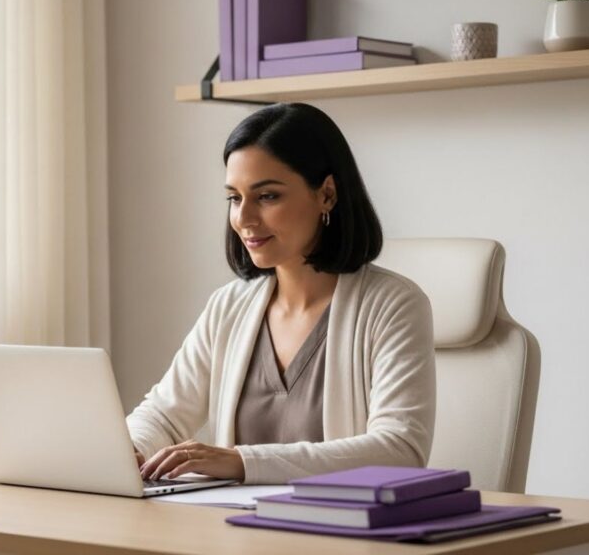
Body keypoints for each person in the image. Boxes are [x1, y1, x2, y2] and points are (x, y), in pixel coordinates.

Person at [126, 103, 435, 485]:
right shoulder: (229, 307)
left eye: (267, 196)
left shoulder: (393, 306)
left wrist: (242, 462)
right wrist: (131, 450)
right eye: (234, 198)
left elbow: (400, 450)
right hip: (233, 536)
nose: (244, 218)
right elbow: (162, 416)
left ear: (327, 194)